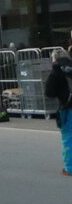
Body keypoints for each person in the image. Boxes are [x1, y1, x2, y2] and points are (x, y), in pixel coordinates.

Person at [44, 48, 72, 176]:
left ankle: (69, 168)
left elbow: (49, 92)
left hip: (68, 107)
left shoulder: (56, 71)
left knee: (69, 139)